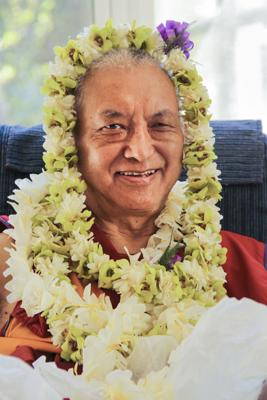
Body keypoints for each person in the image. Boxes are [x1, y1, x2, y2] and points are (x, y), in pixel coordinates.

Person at [0, 20, 266, 375]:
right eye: (113, 126)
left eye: (160, 125)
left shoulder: (247, 266)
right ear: (71, 142)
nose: (140, 151)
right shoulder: (15, 264)